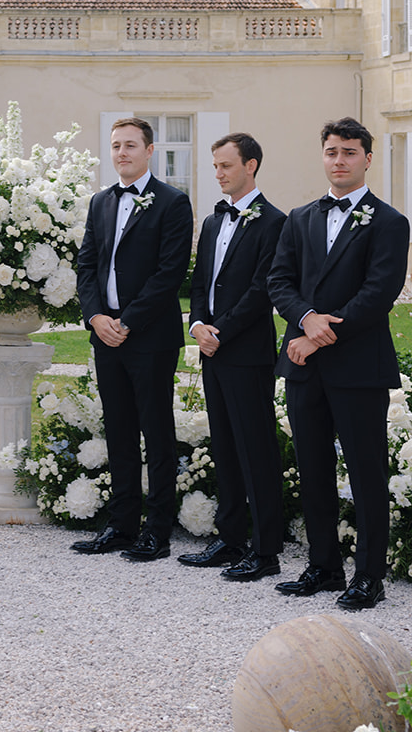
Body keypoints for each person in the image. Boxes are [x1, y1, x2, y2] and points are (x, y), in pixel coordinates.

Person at [268, 116, 410, 610]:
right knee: (312, 469)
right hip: (304, 366)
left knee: (366, 474)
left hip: (358, 367)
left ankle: (369, 577)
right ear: (323, 156)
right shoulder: (299, 218)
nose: (339, 160)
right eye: (332, 151)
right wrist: (305, 320)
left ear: (367, 159)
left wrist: (319, 338)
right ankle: (323, 566)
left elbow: (378, 294)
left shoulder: (390, 222)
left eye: (349, 152)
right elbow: (279, 281)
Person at [72, 116, 192, 562]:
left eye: (130, 145)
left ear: (149, 150)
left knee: (157, 433)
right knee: (119, 430)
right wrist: (95, 317)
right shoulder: (100, 201)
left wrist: (128, 321)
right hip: (105, 335)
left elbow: (170, 273)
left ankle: (157, 531)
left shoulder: (173, 202)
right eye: (116, 146)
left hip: (150, 337)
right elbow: (87, 265)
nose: (121, 153)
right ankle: (120, 526)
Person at [181, 133, 286, 582]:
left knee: (255, 450)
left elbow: (263, 290)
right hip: (213, 351)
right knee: (224, 446)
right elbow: (200, 282)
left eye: (226, 165)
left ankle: (266, 551)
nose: (219, 174)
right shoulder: (211, 222)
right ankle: (230, 539)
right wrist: (197, 325)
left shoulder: (275, 222)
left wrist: (220, 331)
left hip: (247, 353)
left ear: (251, 165)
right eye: (215, 166)